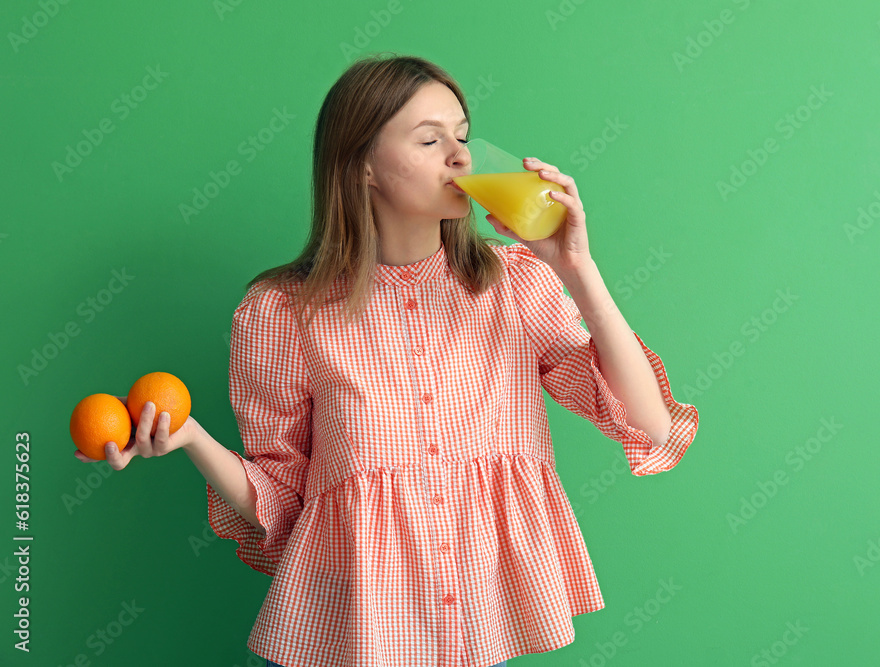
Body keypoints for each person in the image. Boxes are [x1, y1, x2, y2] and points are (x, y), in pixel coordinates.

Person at [73, 53, 699, 667]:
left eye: (462, 136)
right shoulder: (283, 313)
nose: (460, 156)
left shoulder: (516, 284)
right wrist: (187, 436)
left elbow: (649, 423)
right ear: (363, 165)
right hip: (363, 633)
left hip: (481, 624)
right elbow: (285, 503)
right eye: (430, 141)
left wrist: (577, 269)